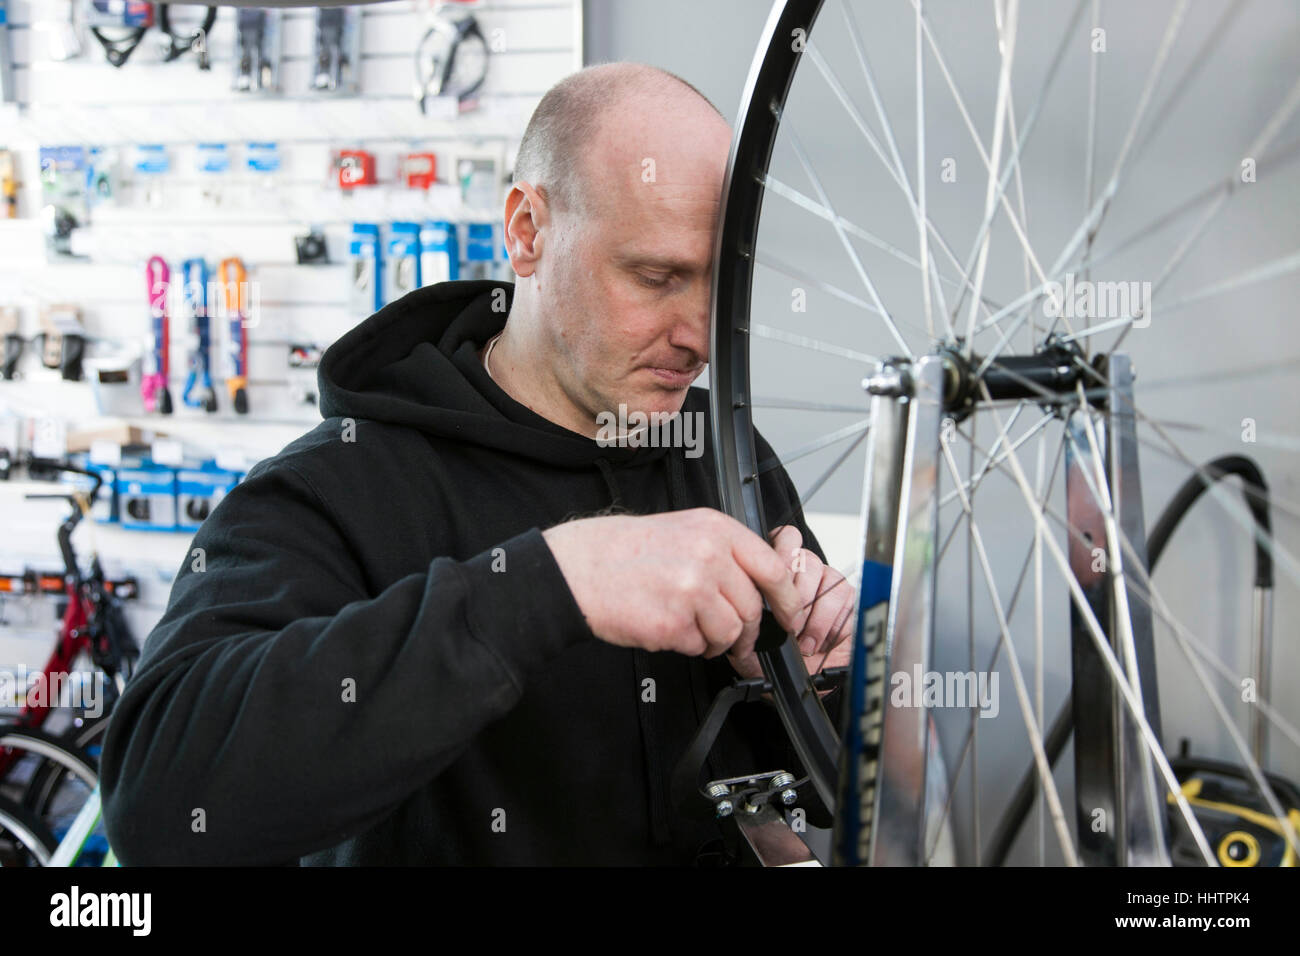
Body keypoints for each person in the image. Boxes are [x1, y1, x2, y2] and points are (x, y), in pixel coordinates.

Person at [100, 61, 855, 866]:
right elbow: (159, 805)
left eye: (717, 287)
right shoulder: (339, 486)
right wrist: (551, 583)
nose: (699, 338)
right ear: (528, 232)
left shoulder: (720, 452)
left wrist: (810, 686)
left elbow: (819, 789)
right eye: (656, 277)